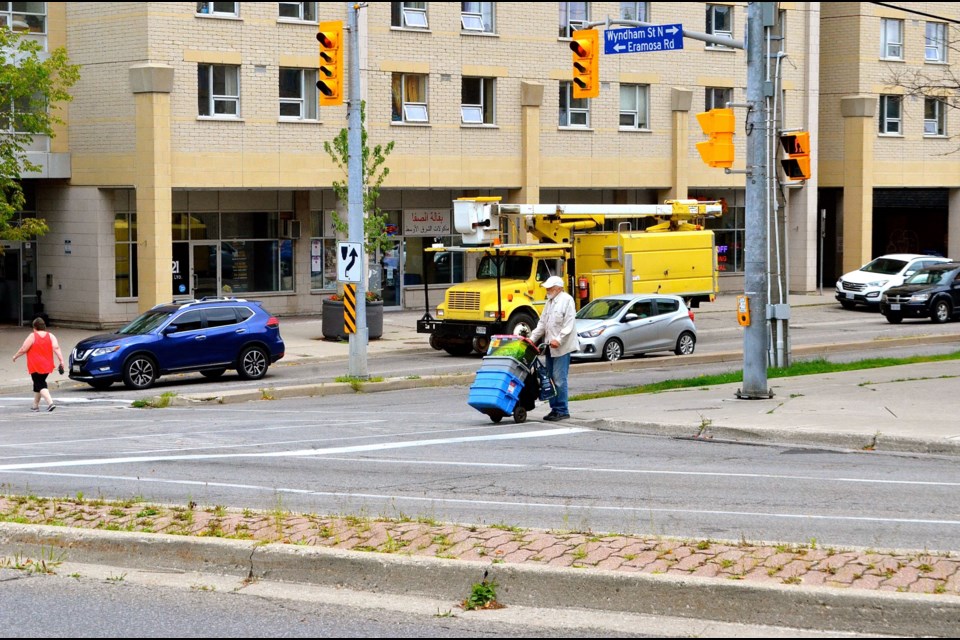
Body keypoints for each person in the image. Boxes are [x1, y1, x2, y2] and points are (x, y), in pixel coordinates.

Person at [529, 275, 579, 421]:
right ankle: (554, 409)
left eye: (550, 288)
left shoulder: (567, 300)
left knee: (559, 379)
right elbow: (542, 324)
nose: (548, 290)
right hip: (550, 347)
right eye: (547, 288)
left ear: (559, 288)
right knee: (549, 379)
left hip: (562, 348)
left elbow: (569, 324)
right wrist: (531, 340)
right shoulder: (549, 303)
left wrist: (559, 339)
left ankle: (562, 409)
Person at [12, 317, 65, 412]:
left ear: (35, 327)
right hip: (47, 364)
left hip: (35, 365)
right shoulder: (51, 336)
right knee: (38, 384)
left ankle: (50, 403)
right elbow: (56, 348)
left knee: (40, 384)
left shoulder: (33, 336)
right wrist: (61, 361)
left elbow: (24, 348)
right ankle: (35, 405)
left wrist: (15, 356)